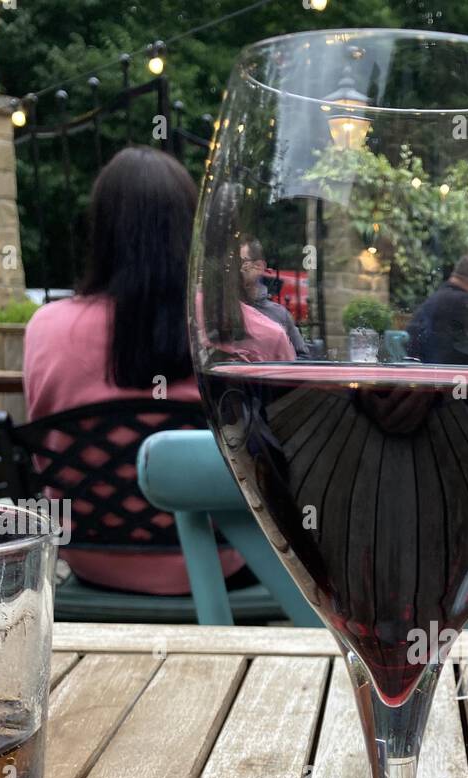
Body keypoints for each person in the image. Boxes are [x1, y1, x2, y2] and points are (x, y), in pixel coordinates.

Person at [23, 147, 291, 595]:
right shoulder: (259, 335)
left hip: (91, 559)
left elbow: (41, 455)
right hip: (234, 556)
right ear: (191, 229)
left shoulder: (44, 330)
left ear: (101, 231)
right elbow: (287, 467)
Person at [240, 237, 310, 357]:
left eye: (241, 262)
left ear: (259, 266)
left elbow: (302, 360)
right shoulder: (221, 311)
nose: (233, 270)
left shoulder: (279, 315)